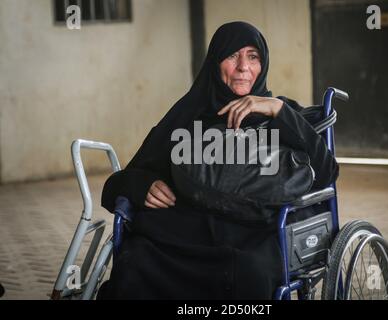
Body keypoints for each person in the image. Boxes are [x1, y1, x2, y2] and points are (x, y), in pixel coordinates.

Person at [98, 21, 338, 299]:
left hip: (257, 235)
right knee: (136, 262)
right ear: (215, 62)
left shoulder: (281, 115)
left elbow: (326, 171)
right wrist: (142, 184)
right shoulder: (187, 115)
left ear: (263, 64)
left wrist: (277, 109)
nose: (243, 67)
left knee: (249, 273)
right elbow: (119, 183)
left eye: (253, 57)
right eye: (232, 56)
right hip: (186, 235)